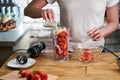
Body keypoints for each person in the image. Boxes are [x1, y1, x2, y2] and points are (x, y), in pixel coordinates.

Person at [24, 0, 119, 49]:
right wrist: (42, 12)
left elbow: (114, 22)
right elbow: (28, 10)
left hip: (96, 50)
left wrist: (103, 31)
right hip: (66, 50)